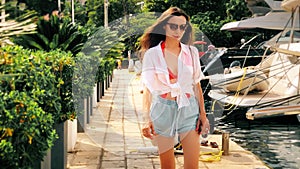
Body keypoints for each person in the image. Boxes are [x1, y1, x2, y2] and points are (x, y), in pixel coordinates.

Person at [140, 7, 210, 169]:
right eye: (173, 26)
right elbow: (148, 88)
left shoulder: (191, 53)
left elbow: (196, 84)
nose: (178, 31)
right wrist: (146, 119)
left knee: (192, 166)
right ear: (164, 26)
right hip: (163, 110)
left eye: (182, 27)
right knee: (167, 166)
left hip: (189, 109)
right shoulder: (153, 54)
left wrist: (203, 115)